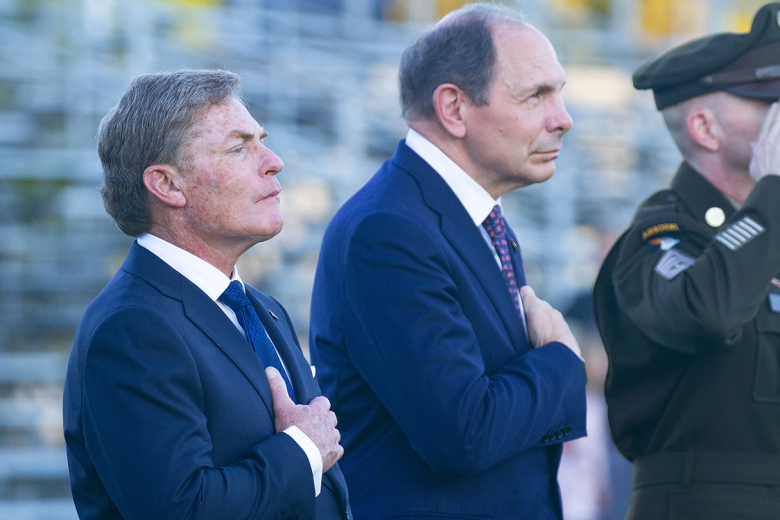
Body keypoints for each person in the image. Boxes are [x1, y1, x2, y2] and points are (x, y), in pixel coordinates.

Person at [309, 4, 587, 519]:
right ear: (454, 109)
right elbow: (462, 434)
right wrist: (562, 362)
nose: (563, 118)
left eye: (559, 92)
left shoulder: (474, 217)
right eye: (536, 95)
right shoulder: (388, 231)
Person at [63, 70, 351, 520]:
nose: (273, 161)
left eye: (262, 140)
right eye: (239, 148)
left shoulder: (261, 308)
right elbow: (182, 509)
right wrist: (303, 450)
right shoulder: (131, 327)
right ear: (168, 185)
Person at [593, 3, 780, 518]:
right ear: (705, 128)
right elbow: (708, 312)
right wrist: (773, 191)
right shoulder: (659, 236)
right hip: (702, 501)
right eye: (770, 102)